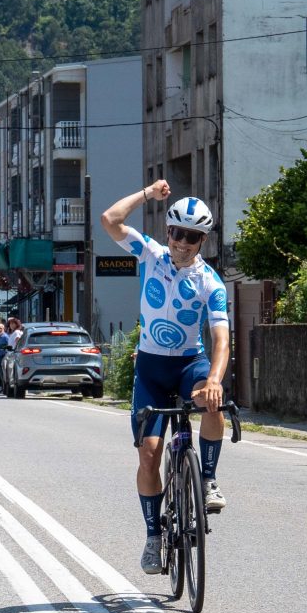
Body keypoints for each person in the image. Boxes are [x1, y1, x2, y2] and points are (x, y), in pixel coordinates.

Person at [101, 179, 230, 575]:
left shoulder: (211, 282)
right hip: (152, 369)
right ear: (168, 231)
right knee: (149, 454)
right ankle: (154, 535)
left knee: (213, 402)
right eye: (177, 233)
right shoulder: (151, 255)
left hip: (189, 362)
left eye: (193, 237)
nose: (183, 242)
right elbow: (110, 219)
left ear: (202, 241)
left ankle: (207, 478)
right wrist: (145, 195)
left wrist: (214, 379)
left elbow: (221, 338)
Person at [0, 321, 9, 393]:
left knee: (3, 373)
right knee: (0, 373)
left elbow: (8, 345)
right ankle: (2, 387)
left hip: (3, 356)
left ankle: (5, 388)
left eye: (0, 328)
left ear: (3, 329)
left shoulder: (5, 337)